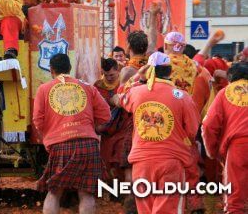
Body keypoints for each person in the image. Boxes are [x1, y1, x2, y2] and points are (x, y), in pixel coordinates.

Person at [120, 52, 199, 214]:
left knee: (145, 210)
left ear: (149, 70)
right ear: (170, 71)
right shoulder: (182, 96)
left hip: (141, 163)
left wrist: (137, 77)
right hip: (171, 162)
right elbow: (192, 131)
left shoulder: (137, 92)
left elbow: (121, 93)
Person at [33, 54, 111, 214]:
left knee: (54, 191)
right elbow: (105, 115)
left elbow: (38, 121)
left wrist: (52, 133)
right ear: (69, 68)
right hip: (88, 143)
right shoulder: (87, 87)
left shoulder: (44, 89)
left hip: (60, 145)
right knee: (86, 193)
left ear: (51, 70)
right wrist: (90, 125)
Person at [202, 62, 247, 214]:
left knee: (234, 200)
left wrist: (212, 151)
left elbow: (208, 125)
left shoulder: (225, 92)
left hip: (238, 147)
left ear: (231, 78)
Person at [94, 58, 128, 180]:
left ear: (118, 71)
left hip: (122, 127)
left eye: (112, 75)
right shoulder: (97, 86)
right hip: (106, 130)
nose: (108, 78)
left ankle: (122, 190)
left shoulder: (124, 84)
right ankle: (108, 188)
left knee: (121, 157)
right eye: (105, 75)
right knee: (106, 158)